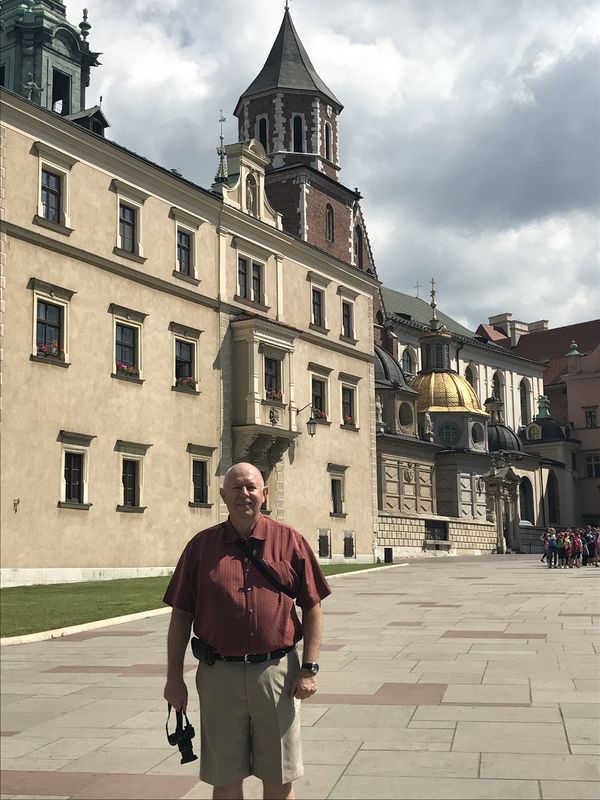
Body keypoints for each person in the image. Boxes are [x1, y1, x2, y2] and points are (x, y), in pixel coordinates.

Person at [163, 462, 331, 800]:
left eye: (251, 487)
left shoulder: (290, 541)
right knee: (225, 778)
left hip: (276, 675)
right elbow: (181, 615)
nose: (244, 494)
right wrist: (174, 678)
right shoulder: (200, 547)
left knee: (279, 778)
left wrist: (309, 668)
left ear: (264, 494)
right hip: (218, 675)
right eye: (236, 488)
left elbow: (312, 605)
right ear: (223, 495)